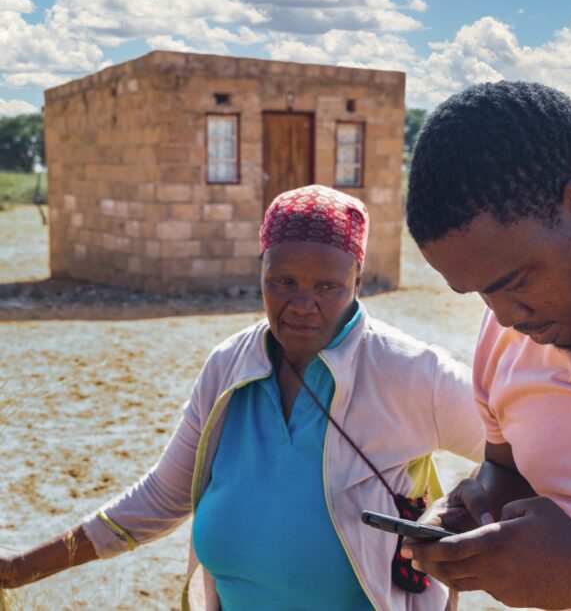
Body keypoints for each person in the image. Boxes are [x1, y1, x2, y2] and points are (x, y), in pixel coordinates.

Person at [0, 185, 484, 610]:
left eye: (328, 287)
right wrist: (18, 570)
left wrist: (460, 507)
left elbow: (520, 452)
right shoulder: (229, 367)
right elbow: (162, 497)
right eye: (283, 281)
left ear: (358, 280)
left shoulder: (410, 372)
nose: (301, 304)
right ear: (261, 271)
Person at [403, 80, 571, 610]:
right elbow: (507, 468)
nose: (506, 317)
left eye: (514, 282)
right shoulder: (506, 339)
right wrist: (476, 509)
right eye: (480, 294)